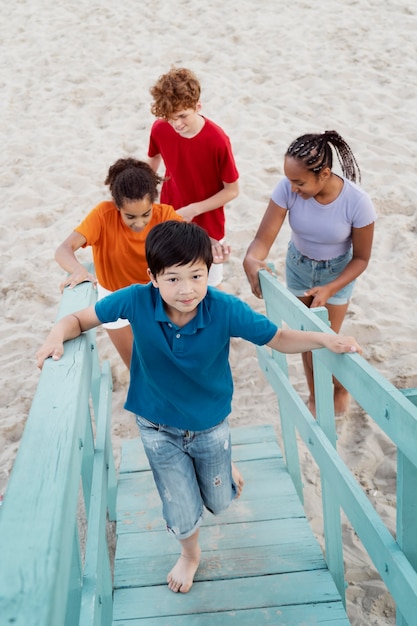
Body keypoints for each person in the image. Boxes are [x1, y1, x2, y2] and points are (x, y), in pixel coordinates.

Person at [37, 220, 362, 594]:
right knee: (179, 505)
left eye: (196, 275)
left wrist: (326, 340)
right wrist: (55, 336)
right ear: (153, 278)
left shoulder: (224, 308)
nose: (186, 289)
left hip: (210, 423)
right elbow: (79, 318)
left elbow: (279, 337)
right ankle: (190, 554)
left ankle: (224, 464)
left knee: (220, 501)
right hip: (156, 424)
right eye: (172, 279)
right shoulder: (135, 299)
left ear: (209, 272)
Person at [243, 130, 376, 417]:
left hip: (339, 273)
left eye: (299, 182)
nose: (292, 188)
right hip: (299, 268)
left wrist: (330, 288)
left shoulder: (358, 202)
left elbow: (363, 258)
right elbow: (262, 241)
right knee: (307, 340)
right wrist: (251, 259)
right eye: (290, 180)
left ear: (324, 174)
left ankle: (339, 387)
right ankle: (318, 394)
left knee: (328, 340)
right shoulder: (286, 188)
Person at [55, 158, 228, 370]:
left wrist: (212, 244)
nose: (139, 223)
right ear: (117, 206)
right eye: (130, 217)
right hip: (113, 296)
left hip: (152, 297)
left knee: (168, 362)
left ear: (153, 203)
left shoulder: (164, 214)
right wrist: (78, 270)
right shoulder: (102, 215)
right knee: (137, 367)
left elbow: (195, 236)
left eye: (145, 214)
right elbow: (63, 249)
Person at [147, 66, 239, 288]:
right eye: (170, 118)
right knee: (171, 282)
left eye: (182, 116)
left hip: (209, 226)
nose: (176, 124)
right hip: (170, 216)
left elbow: (232, 190)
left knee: (207, 286)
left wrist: (194, 209)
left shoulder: (217, 140)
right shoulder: (160, 129)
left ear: (198, 107)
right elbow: (151, 166)